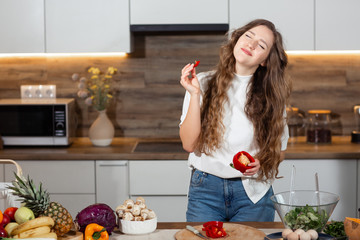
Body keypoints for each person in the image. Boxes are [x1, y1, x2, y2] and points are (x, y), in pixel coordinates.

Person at [179, 19, 291, 222]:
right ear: (237, 39)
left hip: (253, 192)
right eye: (248, 36)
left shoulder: (273, 97)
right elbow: (189, 144)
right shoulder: (202, 83)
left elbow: (279, 151)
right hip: (205, 191)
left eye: (261, 45)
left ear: (265, 60)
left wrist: (263, 162)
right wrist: (195, 95)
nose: (251, 44)